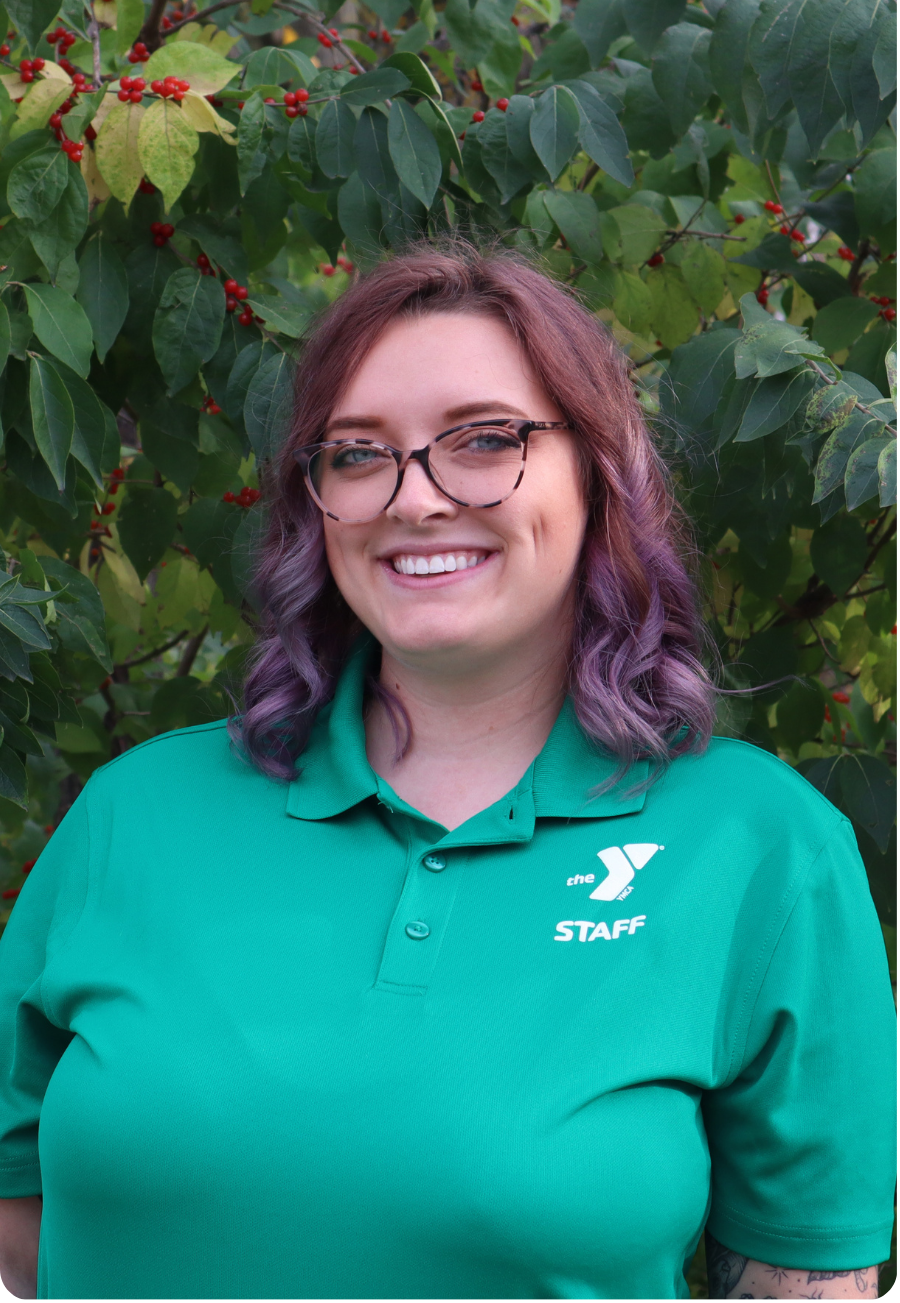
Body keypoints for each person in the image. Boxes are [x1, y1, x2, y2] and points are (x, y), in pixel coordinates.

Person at [0, 244, 894, 1301]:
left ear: (602, 472)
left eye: (482, 441)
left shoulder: (759, 849)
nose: (413, 500)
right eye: (359, 453)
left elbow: (804, 1285)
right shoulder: (134, 817)